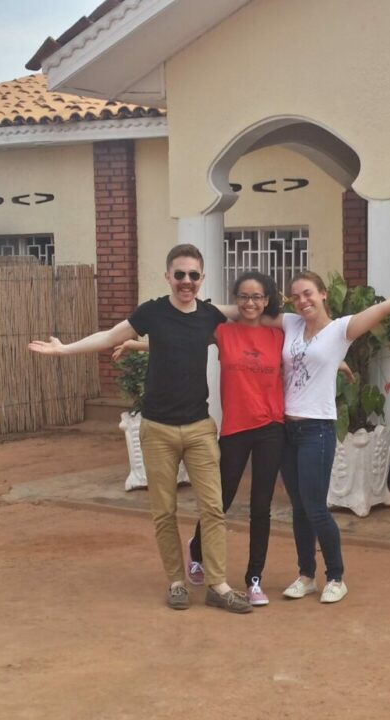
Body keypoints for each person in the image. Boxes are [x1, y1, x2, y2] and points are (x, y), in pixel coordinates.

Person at [27, 244, 251, 614]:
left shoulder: (210, 316)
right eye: (179, 274)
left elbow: (248, 310)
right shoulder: (152, 312)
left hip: (199, 428)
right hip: (158, 429)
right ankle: (177, 582)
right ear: (168, 276)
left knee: (213, 509)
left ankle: (218, 584)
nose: (186, 281)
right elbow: (112, 335)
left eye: (193, 275)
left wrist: (290, 309)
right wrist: (65, 350)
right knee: (164, 510)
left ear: (202, 278)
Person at [277, 270, 390, 604]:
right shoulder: (290, 323)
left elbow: (383, 310)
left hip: (316, 429)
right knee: (299, 508)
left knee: (316, 507)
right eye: (295, 295)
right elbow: (245, 311)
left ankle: (335, 577)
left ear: (322, 295)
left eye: (307, 293)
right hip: (286, 429)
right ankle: (306, 575)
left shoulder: (340, 329)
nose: (301, 300)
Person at [113, 271, 286, 606]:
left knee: (262, 505)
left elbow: (303, 354)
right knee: (219, 502)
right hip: (235, 427)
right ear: (236, 301)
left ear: (266, 300)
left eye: (257, 297)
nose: (250, 303)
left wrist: (340, 365)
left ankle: (253, 579)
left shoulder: (278, 335)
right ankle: (197, 549)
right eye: (244, 297)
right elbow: (178, 341)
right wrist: (137, 342)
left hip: (271, 427)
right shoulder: (221, 330)